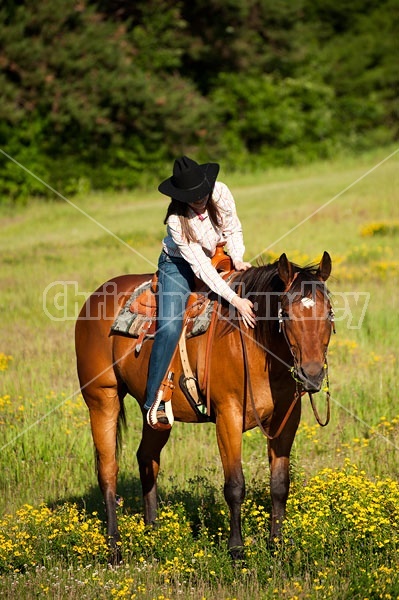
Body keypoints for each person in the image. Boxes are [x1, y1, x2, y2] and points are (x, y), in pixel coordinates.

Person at [144, 155, 256, 430]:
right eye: (193, 198)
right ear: (181, 198)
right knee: (170, 326)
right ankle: (152, 401)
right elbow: (202, 269)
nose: (201, 200)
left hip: (218, 254)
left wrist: (238, 258)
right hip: (179, 264)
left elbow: (233, 227)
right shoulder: (176, 221)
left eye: (202, 193)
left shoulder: (220, 191)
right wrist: (236, 300)